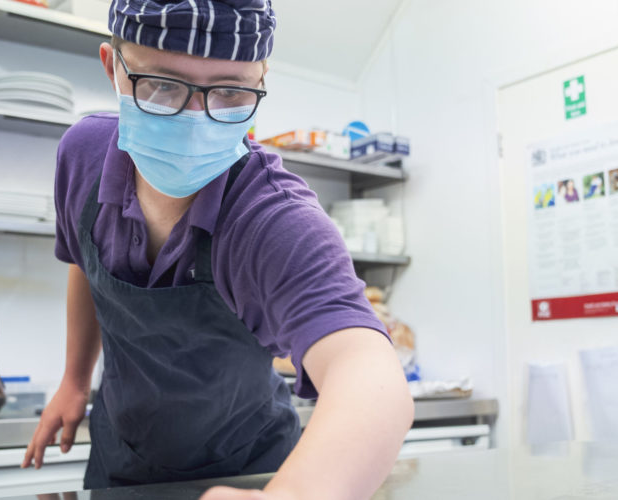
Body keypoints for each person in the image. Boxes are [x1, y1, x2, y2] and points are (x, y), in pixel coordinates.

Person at [20, 1, 414, 499]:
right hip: (120, 462)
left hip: (246, 473)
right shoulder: (82, 155)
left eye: (230, 91)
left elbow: (369, 377)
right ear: (112, 68)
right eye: (161, 86)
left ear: (261, 78)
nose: (195, 118)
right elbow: (86, 258)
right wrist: (74, 380)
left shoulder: (271, 217)